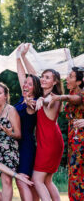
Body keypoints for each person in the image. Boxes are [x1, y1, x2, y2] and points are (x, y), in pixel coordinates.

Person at [48, 67, 84, 200]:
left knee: (79, 176)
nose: (67, 78)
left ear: (79, 82)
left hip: (82, 142)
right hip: (74, 142)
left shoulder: (79, 95)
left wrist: (61, 97)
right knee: (74, 175)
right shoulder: (72, 91)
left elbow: (75, 98)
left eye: (71, 76)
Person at [32, 69, 64, 201]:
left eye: (47, 77)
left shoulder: (54, 96)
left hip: (49, 143)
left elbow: (48, 100)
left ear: (55, 81)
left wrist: (41, 99)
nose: (43, 79)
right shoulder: (45, 96)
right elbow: (31, 72)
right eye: (42, 76)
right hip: (51, 141)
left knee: (37, 179)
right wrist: (21, 57)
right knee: (47, 181)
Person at [15, 44, 41, 201]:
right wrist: (18, 57)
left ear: (35, 88)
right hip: (19, 144)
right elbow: (21, 75)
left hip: (26, 145)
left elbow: (34, 76)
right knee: (28, 182)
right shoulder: (24, 98)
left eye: (29, 84)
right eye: (25, 83)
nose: (25, 85)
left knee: (22, 180)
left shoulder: (33, 102)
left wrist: (23, 57)